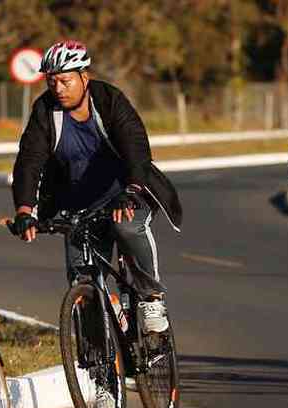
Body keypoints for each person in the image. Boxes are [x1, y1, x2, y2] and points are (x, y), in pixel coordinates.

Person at [10, 39, 182, 364]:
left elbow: (136, 146)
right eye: (52, 81)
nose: (58, 88)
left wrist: (131, 189)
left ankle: (150, 298)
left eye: (65, 79)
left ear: (83, 77)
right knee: (82, 285)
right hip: (77, 205)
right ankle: (100, 376)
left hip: (127, 190)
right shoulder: (45, 112)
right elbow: (29, 161)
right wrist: (24, 210)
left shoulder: (109, 99)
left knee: (127, 226)